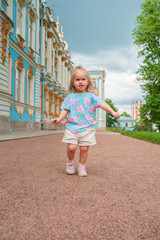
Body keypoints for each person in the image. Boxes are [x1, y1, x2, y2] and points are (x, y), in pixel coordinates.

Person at [51, 66, 119, 177]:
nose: (80, 82)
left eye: (83, 79)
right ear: (73, 83)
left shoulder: (91, 97)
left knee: (84, 148)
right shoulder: (70, 97)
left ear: (88, 82)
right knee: (71, 147)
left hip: (87, 128)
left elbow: (102, 104)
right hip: (72, 127)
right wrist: (59, 119)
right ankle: (70, 163)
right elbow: (65, 109)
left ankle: (82, 166)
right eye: (77, 80)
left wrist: (112, 111)